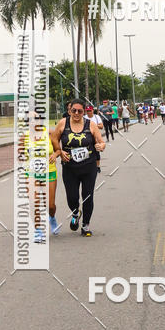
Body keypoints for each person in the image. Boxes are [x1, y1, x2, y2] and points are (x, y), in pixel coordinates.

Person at [51, 99, 105, 237]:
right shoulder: (63, 123)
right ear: (69, 111)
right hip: (70, 167)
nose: (76, 113)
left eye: (79, 111)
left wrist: (101, 146)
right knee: (72, 197)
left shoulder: (91, 125)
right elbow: (54, 138)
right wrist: (59, 151)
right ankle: (76, 212)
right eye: (73, 110)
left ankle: (85, 226)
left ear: (83, 112)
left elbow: (101, 141)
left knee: (87, 196)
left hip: (89, 166)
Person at [21, 120, 62, 240]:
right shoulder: (24, 136)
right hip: (32, 173)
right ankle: (38, 230)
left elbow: (58, 149)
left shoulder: (49, 133)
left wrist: (55, 155)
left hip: (49, 172)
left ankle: (52, 218)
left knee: (50, 205)